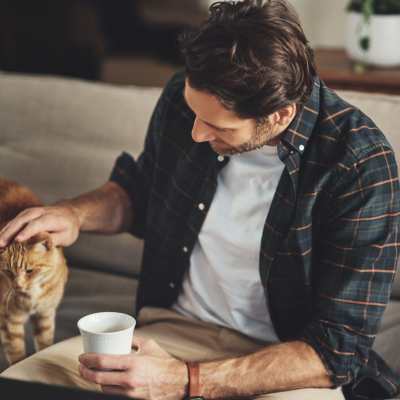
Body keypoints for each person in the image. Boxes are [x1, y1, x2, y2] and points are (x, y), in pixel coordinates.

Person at [1, 1, 399, 399]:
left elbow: (336, 351)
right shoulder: (184, 95)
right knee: (24, 387)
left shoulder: (360, 165)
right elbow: (139, 192)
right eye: (195, 113)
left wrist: (186, 380)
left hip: (285, 363)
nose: (195, 133)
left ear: (279, 115)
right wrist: (73, 215)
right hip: (169, 332)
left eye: (216, 125)